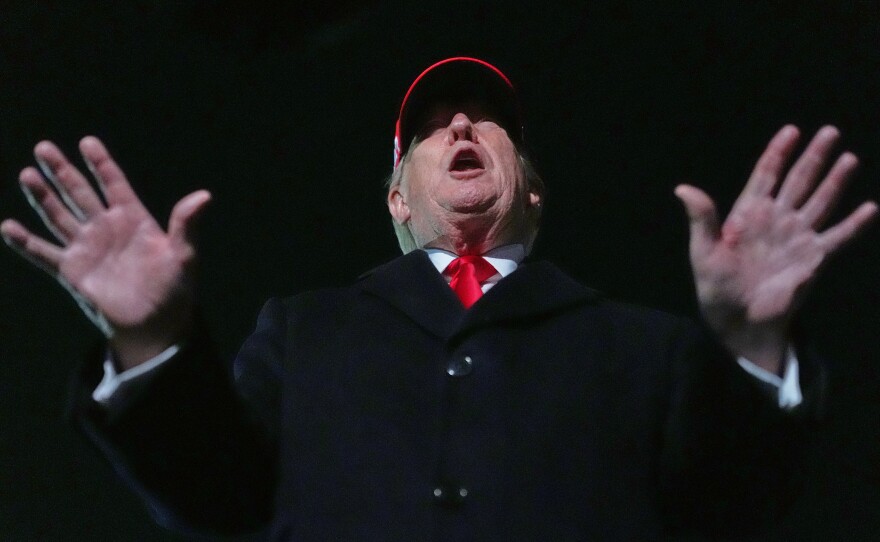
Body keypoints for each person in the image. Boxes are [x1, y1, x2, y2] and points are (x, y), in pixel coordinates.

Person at [2, 57, 876, 540]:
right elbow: (218, 506)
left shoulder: (643, 347)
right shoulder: (303, 331)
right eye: (432, 126)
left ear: (532, 192)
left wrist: (752, 350)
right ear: (396, 197)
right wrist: (154, 342)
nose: (459, 126)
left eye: (482, 118)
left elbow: (727, 513)